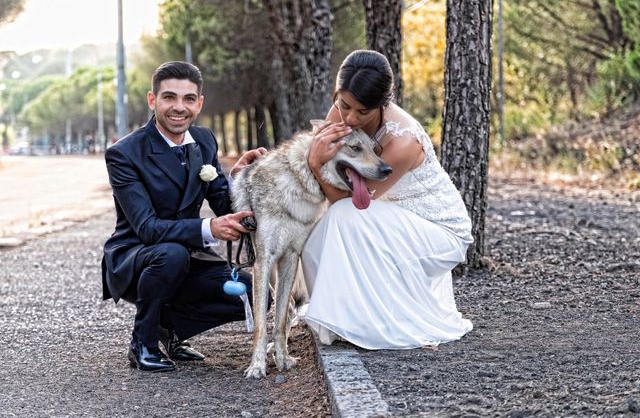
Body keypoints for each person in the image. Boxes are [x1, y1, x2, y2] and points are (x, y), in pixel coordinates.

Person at [302, 50, 473, 349]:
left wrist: (316, 164)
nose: (350, 118)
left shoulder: (402, 140)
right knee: (317, 235)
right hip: (386, 219)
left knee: (343, 216)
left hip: (438, 232)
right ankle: (339, 317)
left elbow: (357, 201)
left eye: (363, 112)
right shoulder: (339, 112)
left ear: (384, 104)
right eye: (344, 105)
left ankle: (366, 323)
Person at [102, 61, 266, 372]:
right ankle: (143, 343)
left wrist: (240, 179)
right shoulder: (124, 153)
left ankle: (168, 328)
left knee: (253, 295)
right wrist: (209, 228)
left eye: (189, 99)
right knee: (171, 255)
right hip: (136, 258)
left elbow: (223, 203)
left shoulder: (203, 140)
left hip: (187, 256)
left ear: (199, 103)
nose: (179, 107)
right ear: (153, 100)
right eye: (169, 97)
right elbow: (148, 229)